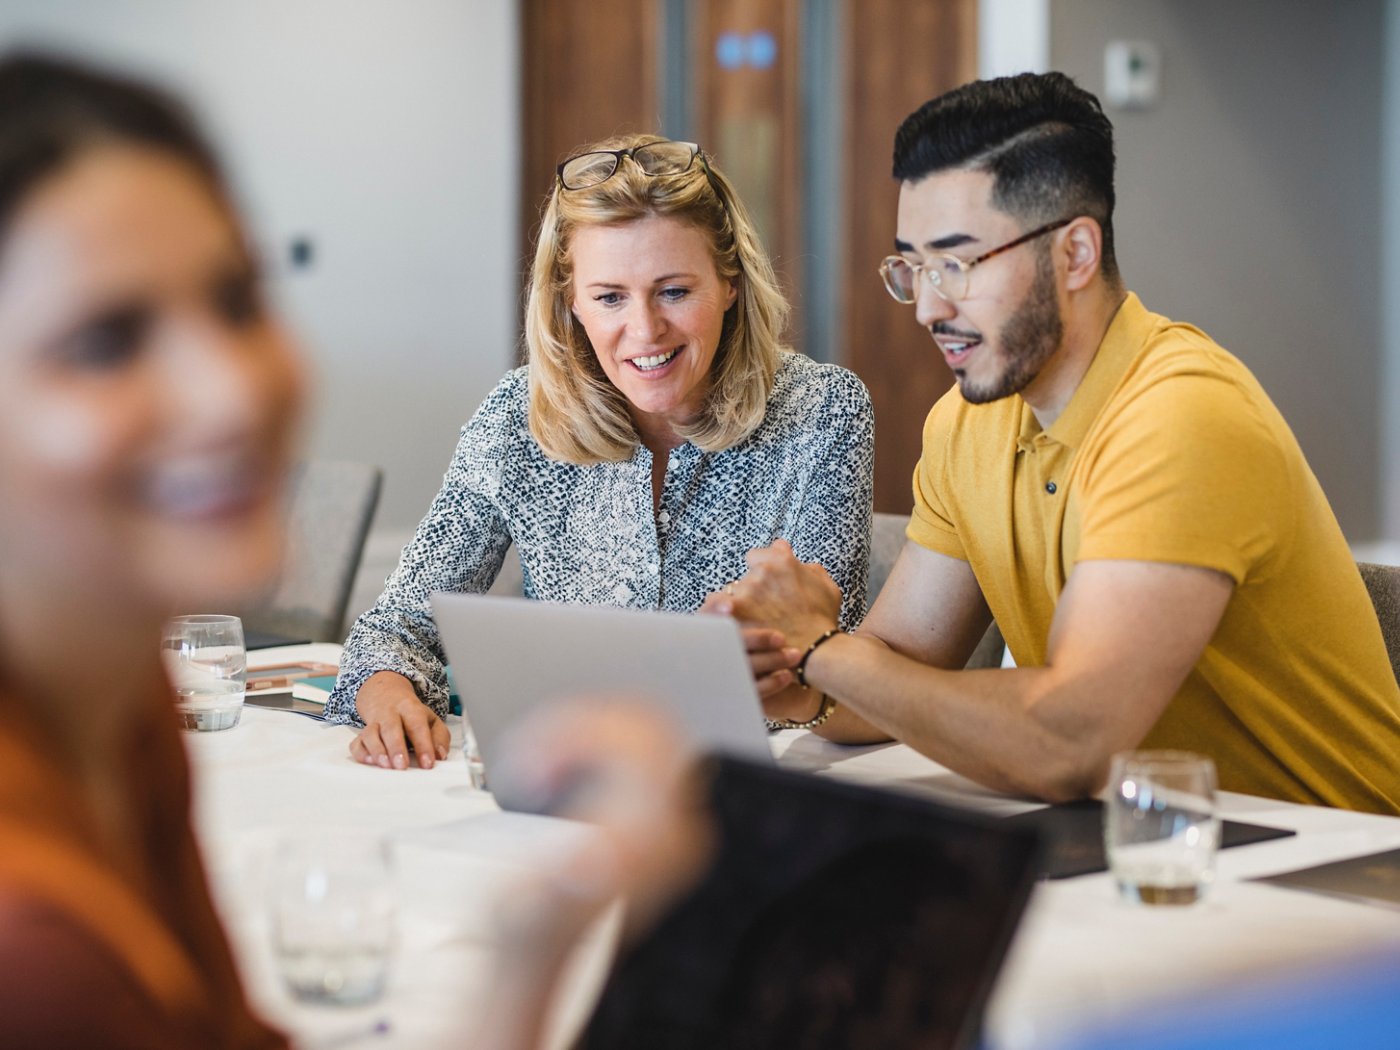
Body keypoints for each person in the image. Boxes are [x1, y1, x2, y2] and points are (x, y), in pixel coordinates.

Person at [0, 51, 712, 1050]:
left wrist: (535, 942)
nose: (231, 391)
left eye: (238, 298)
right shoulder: (36, 944)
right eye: (106, 341)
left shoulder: (120, 718)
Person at [708, 72, 1400, 815]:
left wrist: (825, 650)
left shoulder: (1180, 415)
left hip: (1343, 870)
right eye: (913, 268)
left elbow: (1069, 744)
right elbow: (895, 676)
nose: (929, 308)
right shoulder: (968, 422)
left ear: (1073, 254)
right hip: (1149, 839)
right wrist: (784, 670)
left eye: (957, 264)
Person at [329, 132, 874, 771]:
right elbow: (395, 629)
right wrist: (388, 697)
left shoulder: (823, 410)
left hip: (761, 786)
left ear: (731, 283)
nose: (644, 331)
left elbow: (831, 667)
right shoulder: (517, 417)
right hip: (568, 781)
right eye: (610, 297)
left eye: (674, 291)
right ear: (571, 304)